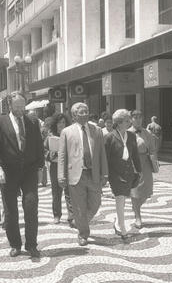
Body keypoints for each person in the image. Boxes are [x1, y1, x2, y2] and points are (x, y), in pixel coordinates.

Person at [0, 91, 45, 258]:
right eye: (17, 106)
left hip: (29, 171)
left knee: (31, 206)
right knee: (10, 210)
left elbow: (38, 146)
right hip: (8, 171)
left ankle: (31, 244)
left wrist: (41, 168)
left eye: (23, 106)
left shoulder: (32, 121)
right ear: (10, 105)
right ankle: (15, 244)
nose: (21, 110)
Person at [58, 102, 108, 246]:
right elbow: (62, 156)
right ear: (74, 115)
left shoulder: (97, 130)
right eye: (81, 112)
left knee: (96, 203)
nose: (85, 114)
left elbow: (102, 154)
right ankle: (83, 233)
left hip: (94, 174)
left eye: (86, 111)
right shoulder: (67, 132)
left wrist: (105, 173)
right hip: (75, 175)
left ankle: (80, 221)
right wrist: (61, 175)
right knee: (79, 206)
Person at [105, 109, 141, 241]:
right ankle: (122, 228)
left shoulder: (131, 136)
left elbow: (135, 155)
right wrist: (105, 175)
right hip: (115, 173)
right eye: (127, 120)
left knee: (122, 199)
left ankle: (117, 222)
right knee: (120, 198)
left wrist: (139, 170)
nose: (130, 122)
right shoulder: (109, 137)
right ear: (119, 123)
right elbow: (106, 158)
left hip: (128, 172)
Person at [128, 110, 157, 229]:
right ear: (131, 119)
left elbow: (153, 149)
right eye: (135, 117)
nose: (138, 119)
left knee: (147, 190)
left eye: (140, 117)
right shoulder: (127, 132)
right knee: (135, 191)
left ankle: (136, 207)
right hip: (132, 163)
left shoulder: (147, 133)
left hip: (145, 163)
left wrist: (154, 162)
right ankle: (138, 217)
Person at [44, 113, 74, 225]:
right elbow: (44, 150)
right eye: (59, 123)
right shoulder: (50, 137)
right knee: (56, 192)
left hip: (68, 166)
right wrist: (50, 154)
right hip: (55, 166)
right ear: (55, 124)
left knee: (69, 191)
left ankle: (71, 215)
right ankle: (57, 214)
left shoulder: (70, 135)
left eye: (63, 122)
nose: (61, 125)